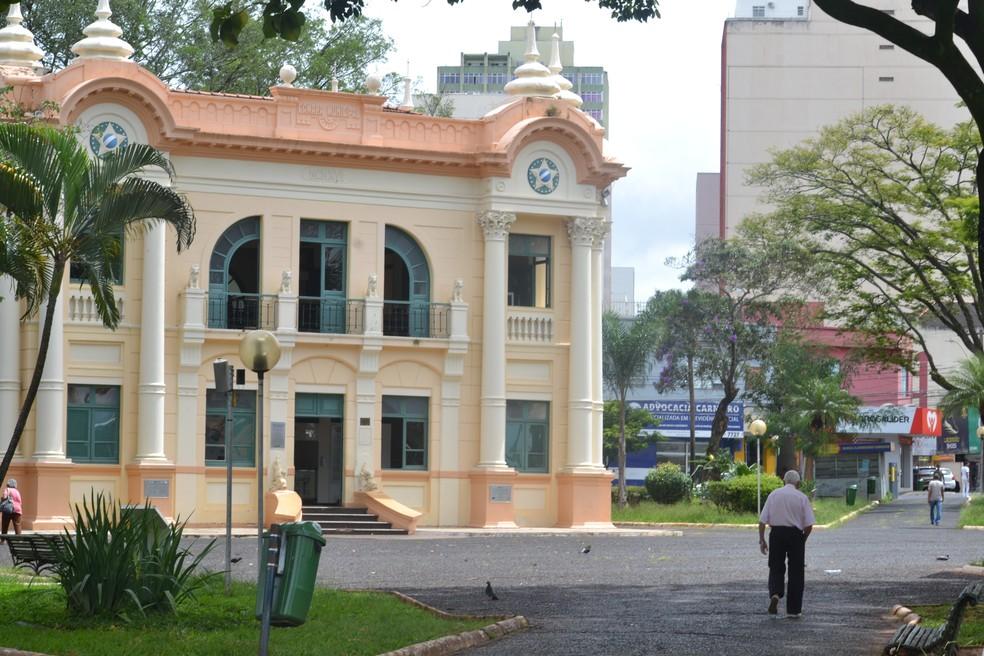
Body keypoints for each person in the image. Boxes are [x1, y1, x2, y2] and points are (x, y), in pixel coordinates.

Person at [758, 469, 815, 619]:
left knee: (776, 566)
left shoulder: (774, 495)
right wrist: (803, 539)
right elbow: (809, 525)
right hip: (795, 535)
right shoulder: (802, 497)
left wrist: (762, 539)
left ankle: (775, 594)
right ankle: (794, 609)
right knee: (796, 571)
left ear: (784, 480)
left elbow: (762, 521)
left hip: (776, 534)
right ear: (798, 483)